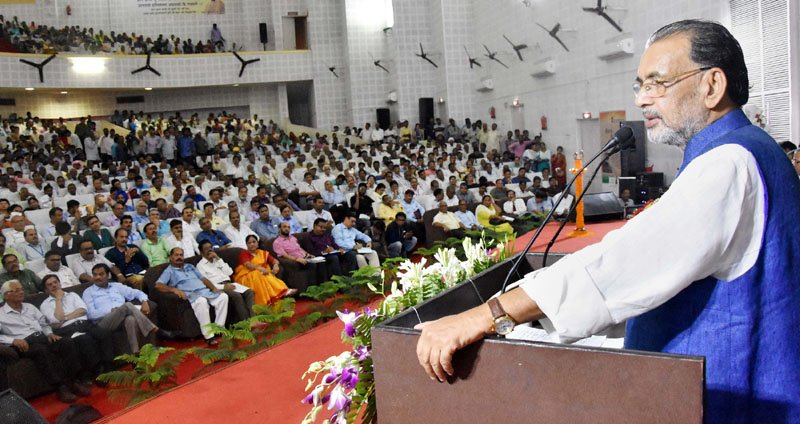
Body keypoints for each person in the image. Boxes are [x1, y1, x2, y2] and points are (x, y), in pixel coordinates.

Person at [414, 20, 800, 422]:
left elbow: (623, 264)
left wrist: (486, 314)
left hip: (736, 390)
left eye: (657, 83)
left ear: (712, 85)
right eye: (640, 86)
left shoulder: (728, 163)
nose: (643, 100)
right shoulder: (753, 149)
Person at [0, 280, 91, 403]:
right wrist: (13, 340)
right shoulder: (1, 314)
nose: (21, 292)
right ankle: (60, 387)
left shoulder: (30, 307)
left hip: (42, 337)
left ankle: (73, 381)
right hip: (24, 343)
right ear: (6, 295)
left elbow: (44, 324)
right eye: (16, 290)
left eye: (21, 289)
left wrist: (50, 333)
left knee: (66, 342)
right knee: (41, 350)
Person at [83, 264, 170, 354]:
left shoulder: (116, 286)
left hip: (121, 317)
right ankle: (155, 329)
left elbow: (136, 292)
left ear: (108, 275)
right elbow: (91, 314)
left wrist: (144, 301)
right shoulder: (88, 292)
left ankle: (135, 354)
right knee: (127, 305)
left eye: (101, 274)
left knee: (131, 320)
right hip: (103, 323)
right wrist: (111, 311)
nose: (97, 277)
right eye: (95, 274)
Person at [39, 274, 114, 379]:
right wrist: (58, 300)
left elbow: (83, 310)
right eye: (50, 285)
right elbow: (56, 320)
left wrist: (64, 318)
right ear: (46, 290)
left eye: (55, 282)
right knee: (85, 339)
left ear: (60, 283)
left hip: (85, 324)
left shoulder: (72, 295)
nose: (54, 286)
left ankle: (108, 366)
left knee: (104, 333)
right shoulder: (45, 305)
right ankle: (98, 372)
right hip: (67, 330)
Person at [155, 248, 229, 345]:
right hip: (192, 294)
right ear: (171, 257)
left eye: (181, 255)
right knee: (201, 301)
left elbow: (203, 279)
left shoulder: (190, 266)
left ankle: (219, 328)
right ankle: (209, 336)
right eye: (176, 255)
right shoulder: (169, 271)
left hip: (204, 291)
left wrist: (214, 288)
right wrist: (174, 289)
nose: (179, 257)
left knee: (223, 297)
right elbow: (158, 285)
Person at [196, 240, 255, 321]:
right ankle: (247, 323)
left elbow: (229, 272)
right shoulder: (200, 266)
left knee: (250, 292)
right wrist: (224, 286)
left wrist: (218, 258)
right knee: (236, 296)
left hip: (230, 283)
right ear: (201, 253)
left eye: (210, 247)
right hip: (219, 288)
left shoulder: (217, 260)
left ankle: (254, 320)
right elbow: (207, 283)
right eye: (206, 249)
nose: (210, 250)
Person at [232, 235, 296, 304]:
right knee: (258, 274)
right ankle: (282, 291)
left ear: (257, 243)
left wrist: (275, 266)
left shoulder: (263, 253)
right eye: (249, 243)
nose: (252, 244)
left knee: (263, 275)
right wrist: (260, 269)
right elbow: (248, 265)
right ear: (246, 245)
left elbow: (274, 260)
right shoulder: (244, 253)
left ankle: (280, 294)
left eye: (254, 242)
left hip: (263, 274)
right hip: (247, 276)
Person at [272, 221, 324, 286]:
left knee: (321, 263)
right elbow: (284, 255)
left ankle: (322, 286)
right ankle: (313, 289)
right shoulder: (277, 242)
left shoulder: (293, 238)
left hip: (305, 257)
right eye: (284, 227)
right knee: (312, 265)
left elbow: (299, 249)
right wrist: (297, 259)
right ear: (279, 229)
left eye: (288, 227)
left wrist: (308, 254)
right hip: (296, 261)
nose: (287, 229)